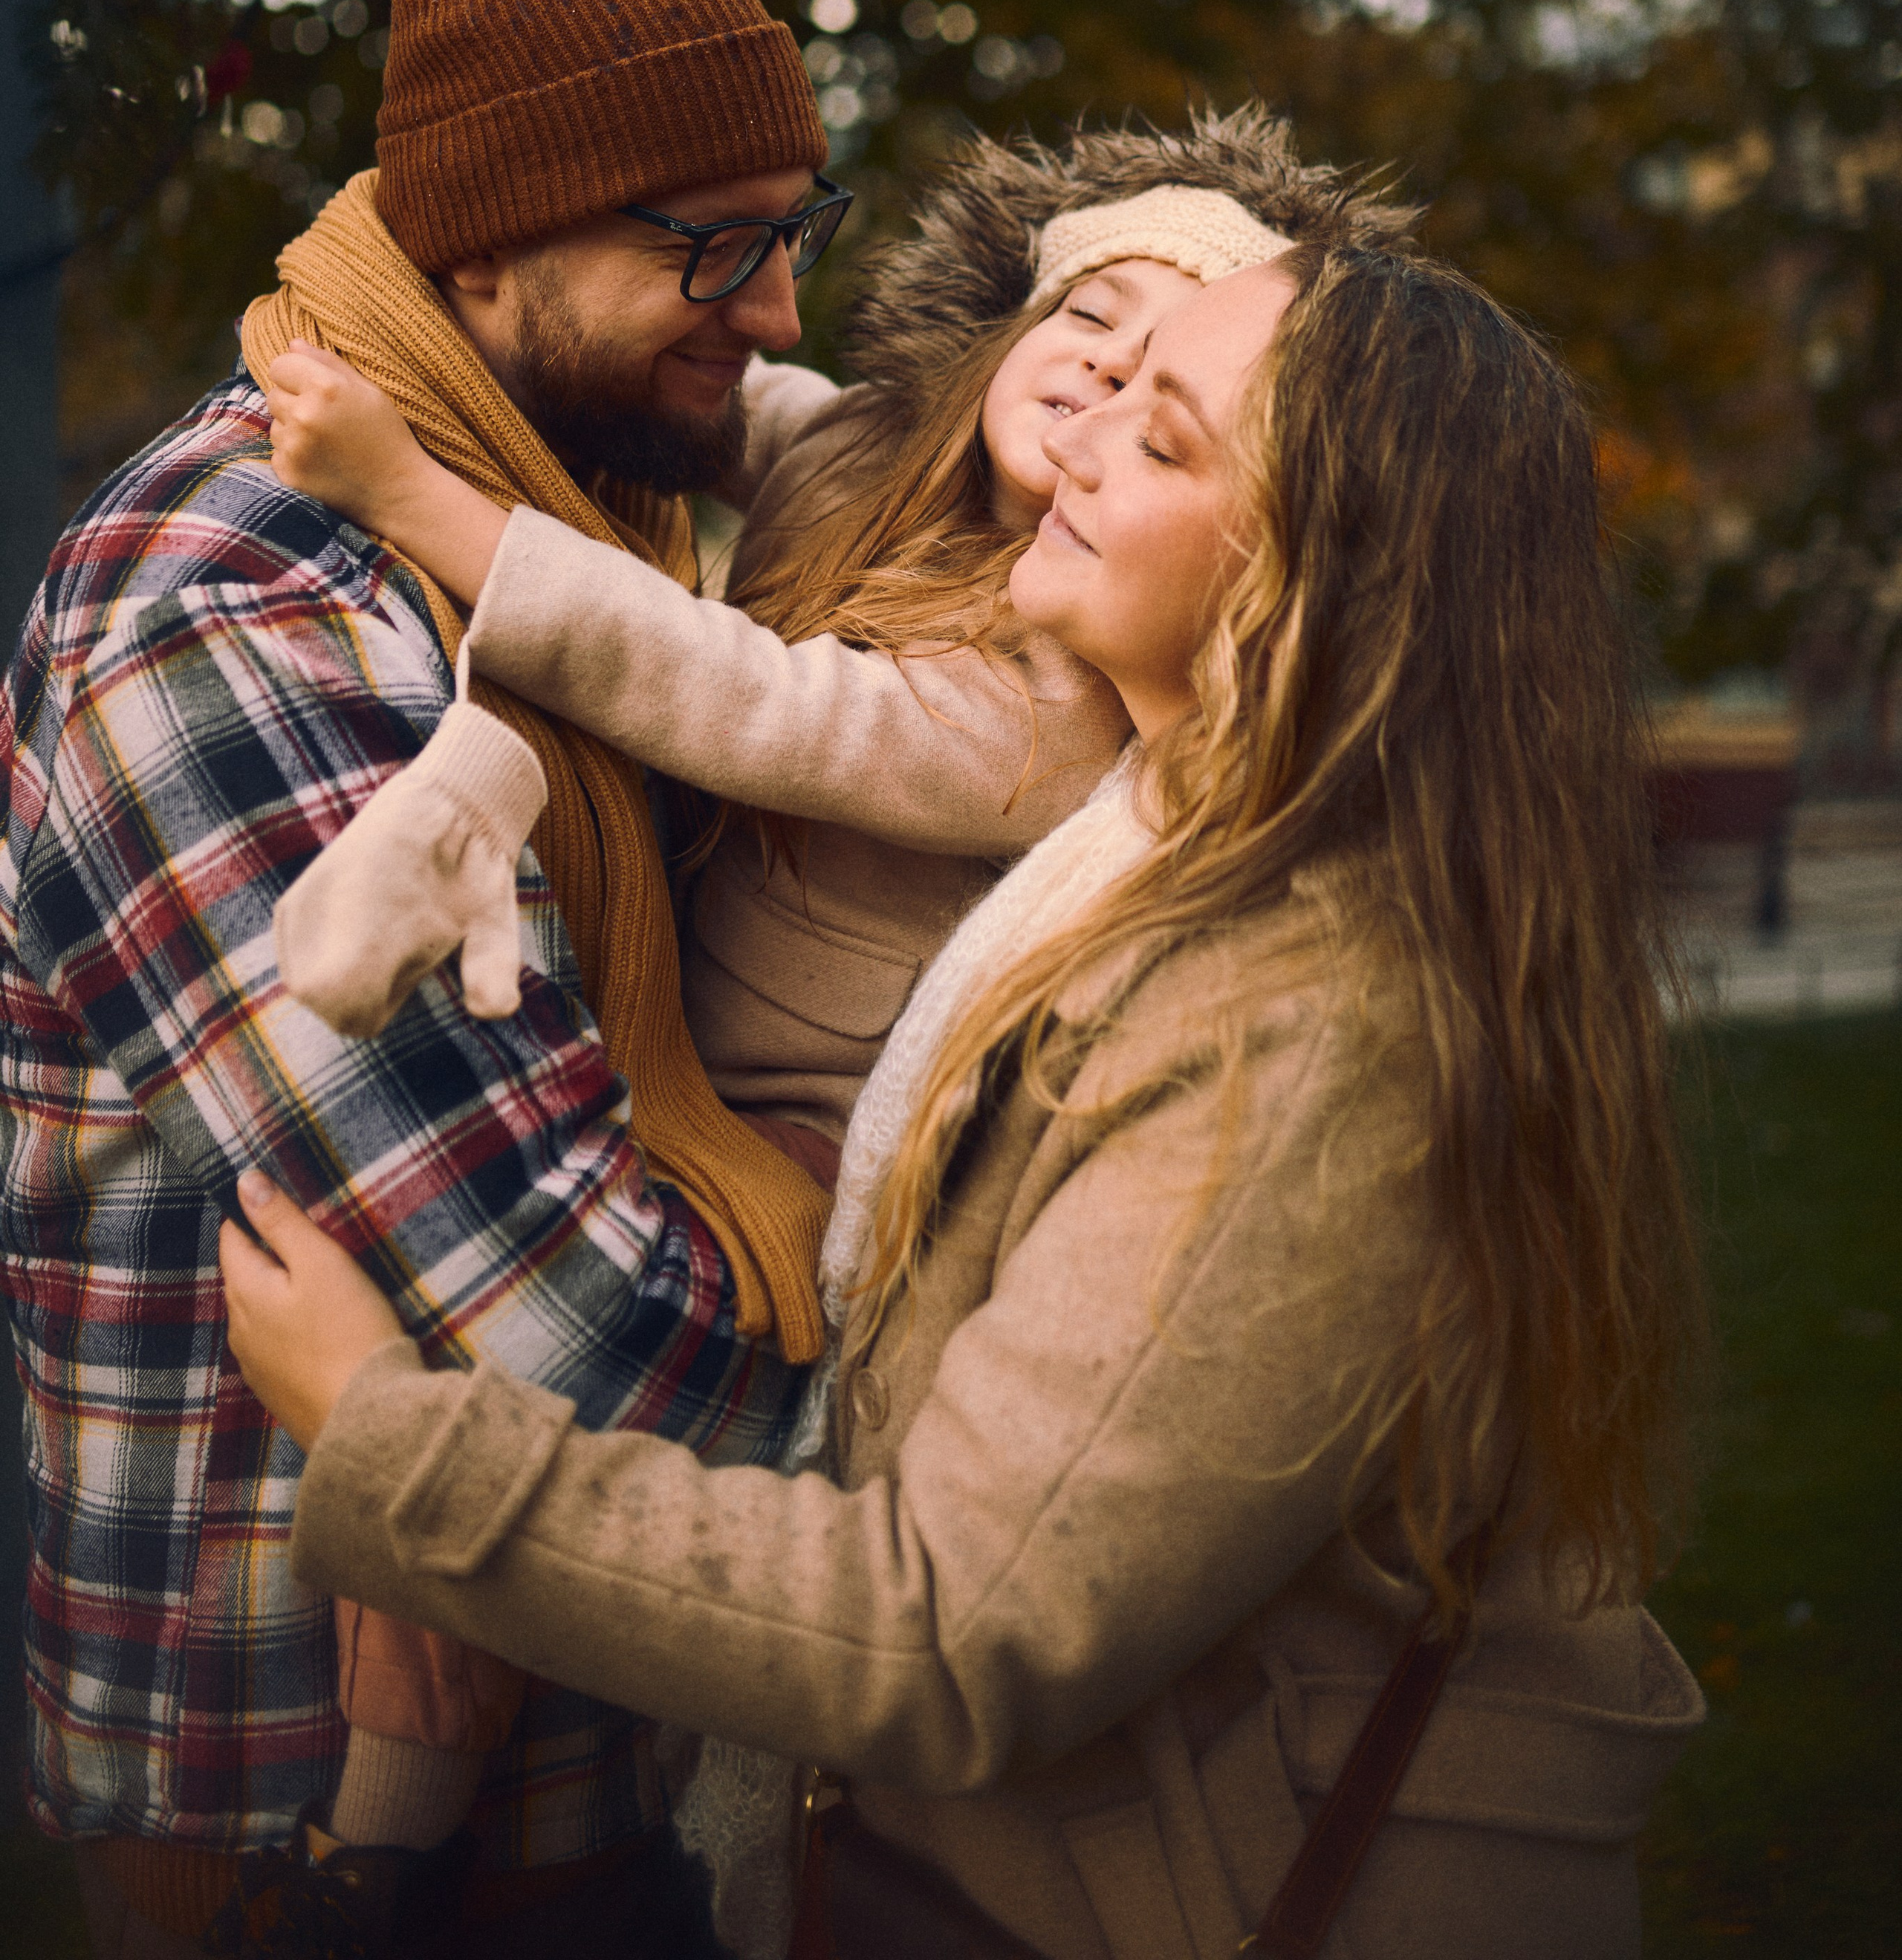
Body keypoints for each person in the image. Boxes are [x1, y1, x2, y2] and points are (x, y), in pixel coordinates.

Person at [222, 243, 1708, 1960]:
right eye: (1103, 367)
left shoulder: (1307, 1021)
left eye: (1164, 444)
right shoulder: (1172, 834)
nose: (1073, 445)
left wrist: (392, 1440)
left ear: (1320, 574)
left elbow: (948, 1636)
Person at [0, 0, 845, 1960]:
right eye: (714, 247)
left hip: (587, 1763)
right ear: (478, 251)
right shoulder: (232, 610)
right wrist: (892, 1182)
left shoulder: (564, 554)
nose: (779, 313)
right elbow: (588, 1343)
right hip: (301, 1805)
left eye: (792, 233)